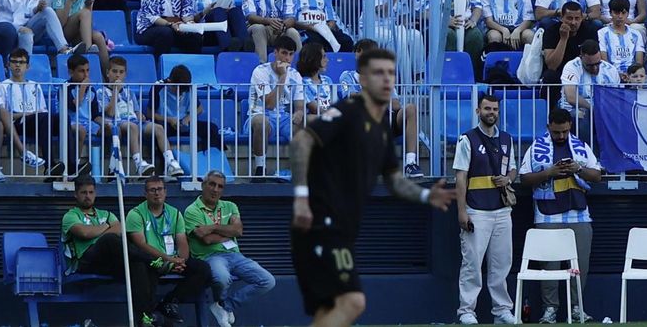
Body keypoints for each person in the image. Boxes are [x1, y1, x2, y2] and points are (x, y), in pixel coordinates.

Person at [289, 47, 457, 327]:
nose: (387, 79)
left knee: (330, 310)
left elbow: (394, 182)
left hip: (340, 226)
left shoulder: (380, 128)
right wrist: (301, 199)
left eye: (391, 73)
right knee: (353, 302)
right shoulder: (347, 111)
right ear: (363, 79)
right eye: (379, 73)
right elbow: (301, 142)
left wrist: (427, 194)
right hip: (320, 222)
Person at [520, 107, 603, 323]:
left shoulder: (581, 147)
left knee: (579, 267)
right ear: (549, 127)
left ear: (570, 127)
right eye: (557, 132)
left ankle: (577, 308)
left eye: (565, 131)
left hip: (579, 214)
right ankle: (550, 309)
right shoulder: (536, 147)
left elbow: (597, 176)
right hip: (548, 215)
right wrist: (549, 172)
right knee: (549, 267)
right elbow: (524, 179)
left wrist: (578, 169)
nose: (561, 136)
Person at [453, 92, 517, 326]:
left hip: (502, 210)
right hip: (476, 210)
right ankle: (466, 311)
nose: (492, 113)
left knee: (501, 264)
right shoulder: (467, 139)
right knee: (472, 263)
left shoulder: (507, 139)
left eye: (495, 109)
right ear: (478, 111)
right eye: (487, 109)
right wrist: (462, 211)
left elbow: (513, 170)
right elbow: (460, 177)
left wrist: (507, 179)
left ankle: (501, 310)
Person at [63, 175, 161, 327]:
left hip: (108, 261)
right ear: (76, 194)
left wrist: (100, 230)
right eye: (83, 193)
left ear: (95, 193)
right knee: (109, 240)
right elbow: (84, 233)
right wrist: (107, 227)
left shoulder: (106, 214)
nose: (87, 196)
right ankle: (151, 259)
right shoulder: (71, 215)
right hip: (87, 260)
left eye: (90, 192)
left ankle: (145, 318)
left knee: (138, 266)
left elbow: (120, 229)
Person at [184, 170, 276, 327]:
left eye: (220, 186)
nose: (215, 190)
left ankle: (225, 306)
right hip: (210, 256)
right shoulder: (192, 210)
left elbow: (238, 231)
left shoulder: (230, 206)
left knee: (268, 281)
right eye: (212, 184)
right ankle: (223, 306)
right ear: (203, 185)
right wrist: (228, 231)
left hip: (235, 255)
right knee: (222, 278)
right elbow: (206, 239)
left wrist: (213, 226)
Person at [126, 173, 216, 327]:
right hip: (151, 261)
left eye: (160, 189)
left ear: (165, 192)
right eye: (152, 190)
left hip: (172, 260)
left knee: (203, 270)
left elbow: (182, 241)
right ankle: (148, 317)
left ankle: (170, 302)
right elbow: (141, 244)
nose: (157, 193)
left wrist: (181, 260)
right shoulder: (136, 214)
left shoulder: (174, 213)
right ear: (145, 193)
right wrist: (168, 260)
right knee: (144, 270)